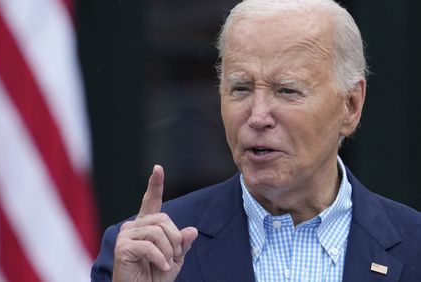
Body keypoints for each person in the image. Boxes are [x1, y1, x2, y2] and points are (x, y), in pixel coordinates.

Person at [91, 0, 421, 281]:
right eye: (241, 89)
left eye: (287, 90)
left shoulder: (413, 247)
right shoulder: (145, 253)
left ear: (350, 105)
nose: (258, 116)